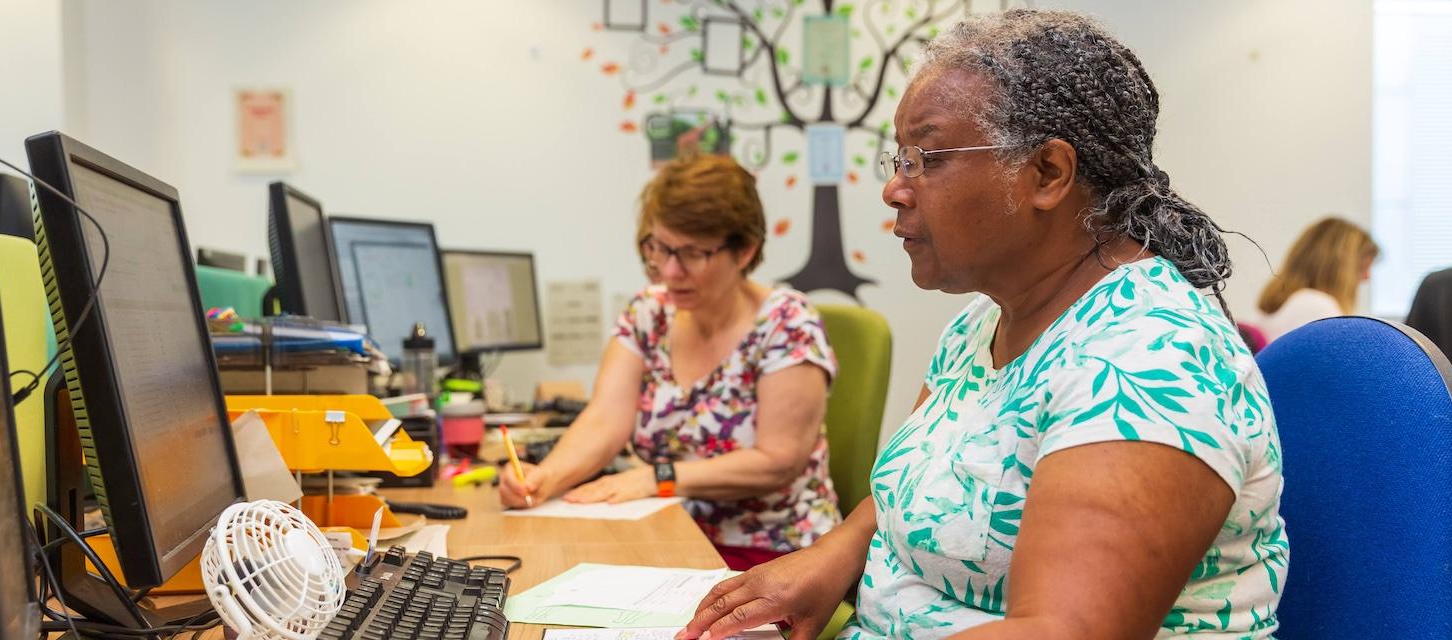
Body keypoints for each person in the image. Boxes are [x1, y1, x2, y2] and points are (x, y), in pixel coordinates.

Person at [678, 10, 1288, 639]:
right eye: (900, 158)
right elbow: (912, 496)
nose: (894, 188)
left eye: (926, 158)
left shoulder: (1150, 356)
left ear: (1048, 173)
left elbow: (1060, 632)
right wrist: (829, 557)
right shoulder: (983, 324)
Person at [498, 154, 842, 571]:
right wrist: (543, 478)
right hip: (670, 530)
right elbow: (606, 417)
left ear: (745, 250)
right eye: (659, 248)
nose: (670, 272)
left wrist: (656, 477)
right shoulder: (649, 311)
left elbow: (778, 461)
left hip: (773, 553)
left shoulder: (787, 323)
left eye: (692, 253)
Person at [1255, 217, 1379, 342]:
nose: (1367, 277)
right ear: (1339, 268)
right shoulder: (1318, 306)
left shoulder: (1281, 303)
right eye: (1362, 268)